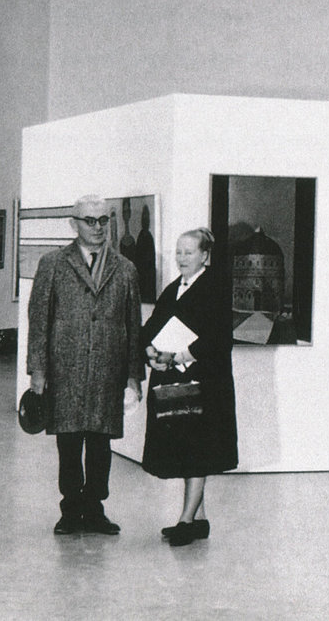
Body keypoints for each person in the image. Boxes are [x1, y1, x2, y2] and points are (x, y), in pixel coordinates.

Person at [27, 194, 144, 536]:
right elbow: (39, 321)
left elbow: (133, 325)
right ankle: (70, 509)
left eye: (103, 220)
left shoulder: (125, 269)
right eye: (90, 221)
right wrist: (38, 370)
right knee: (68, 440)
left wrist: (134, 375)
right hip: (65, 370)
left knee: (100, 442)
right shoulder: (52, 264)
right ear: (74, 224)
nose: (97, 228)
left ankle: (94, 508)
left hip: (108, 370)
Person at [141, 227, 237, 547]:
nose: (181, 258)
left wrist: (179, 355)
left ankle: (185, 520)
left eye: (189, 252)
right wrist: (151, 354)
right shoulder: (173, 289)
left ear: (205, 255)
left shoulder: (216, 287)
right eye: (178, 252)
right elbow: (152, 327)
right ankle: (199, 519)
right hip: (176, 382)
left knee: (198, 449)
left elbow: (220, 339)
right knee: (187, 447)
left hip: (206, 384)